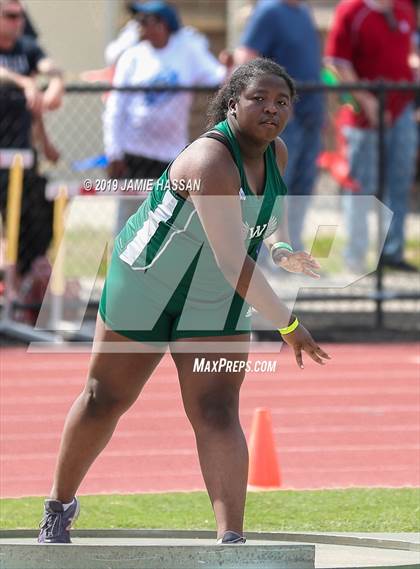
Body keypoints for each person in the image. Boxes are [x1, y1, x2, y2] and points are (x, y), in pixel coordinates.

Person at [38, 58, 330, 546]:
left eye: (282, 102)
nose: (272, 109)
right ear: (233, 103)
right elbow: (232, 261)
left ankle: (230, 540)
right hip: (146, 285)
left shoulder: (276, 154)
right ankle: (58, 505)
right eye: (259, 98)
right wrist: (288, 323)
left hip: (213, 292)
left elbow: (263, 223)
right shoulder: (209, 160)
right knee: (103, 398)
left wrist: (282, 250)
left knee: (217, 409)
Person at [103, 0, 227, 231]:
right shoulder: (132, 57)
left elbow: (217, 78)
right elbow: (115, 108)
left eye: (145, 20)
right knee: (130, 219)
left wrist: (229, 66)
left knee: (168, 219)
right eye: (137, 20)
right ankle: (121, 266)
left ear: (164, 25)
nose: (138, 26)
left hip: (171, 156)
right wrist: (114, 152)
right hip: (134, 153)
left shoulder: (187, 52)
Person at [325, 0, 418, 272]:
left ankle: (392, 252)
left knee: (399, 182)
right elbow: (335, 64)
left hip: (402, 111)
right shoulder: (350, 11)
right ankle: (356, 258)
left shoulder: (404, 9)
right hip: (363, 118)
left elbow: (408, 51)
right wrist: (366, 101)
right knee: (360, 188)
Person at [234, 0, 324, 251]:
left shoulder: (305, 12)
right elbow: (247, 58)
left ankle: (292, 248)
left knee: (302, 186)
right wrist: (276, 103)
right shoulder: (269, 10)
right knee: (273, 187)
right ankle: (263, 254)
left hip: (311, 117)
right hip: (284, 120)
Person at [0, 0, 64, 290]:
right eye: (10, 16)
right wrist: (24, 83)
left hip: (21, 158)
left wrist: (55, 83)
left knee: (31, 218)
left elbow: (50, 70)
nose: (18, 22)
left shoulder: (27, 49)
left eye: (20, 16)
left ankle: (19, 286)